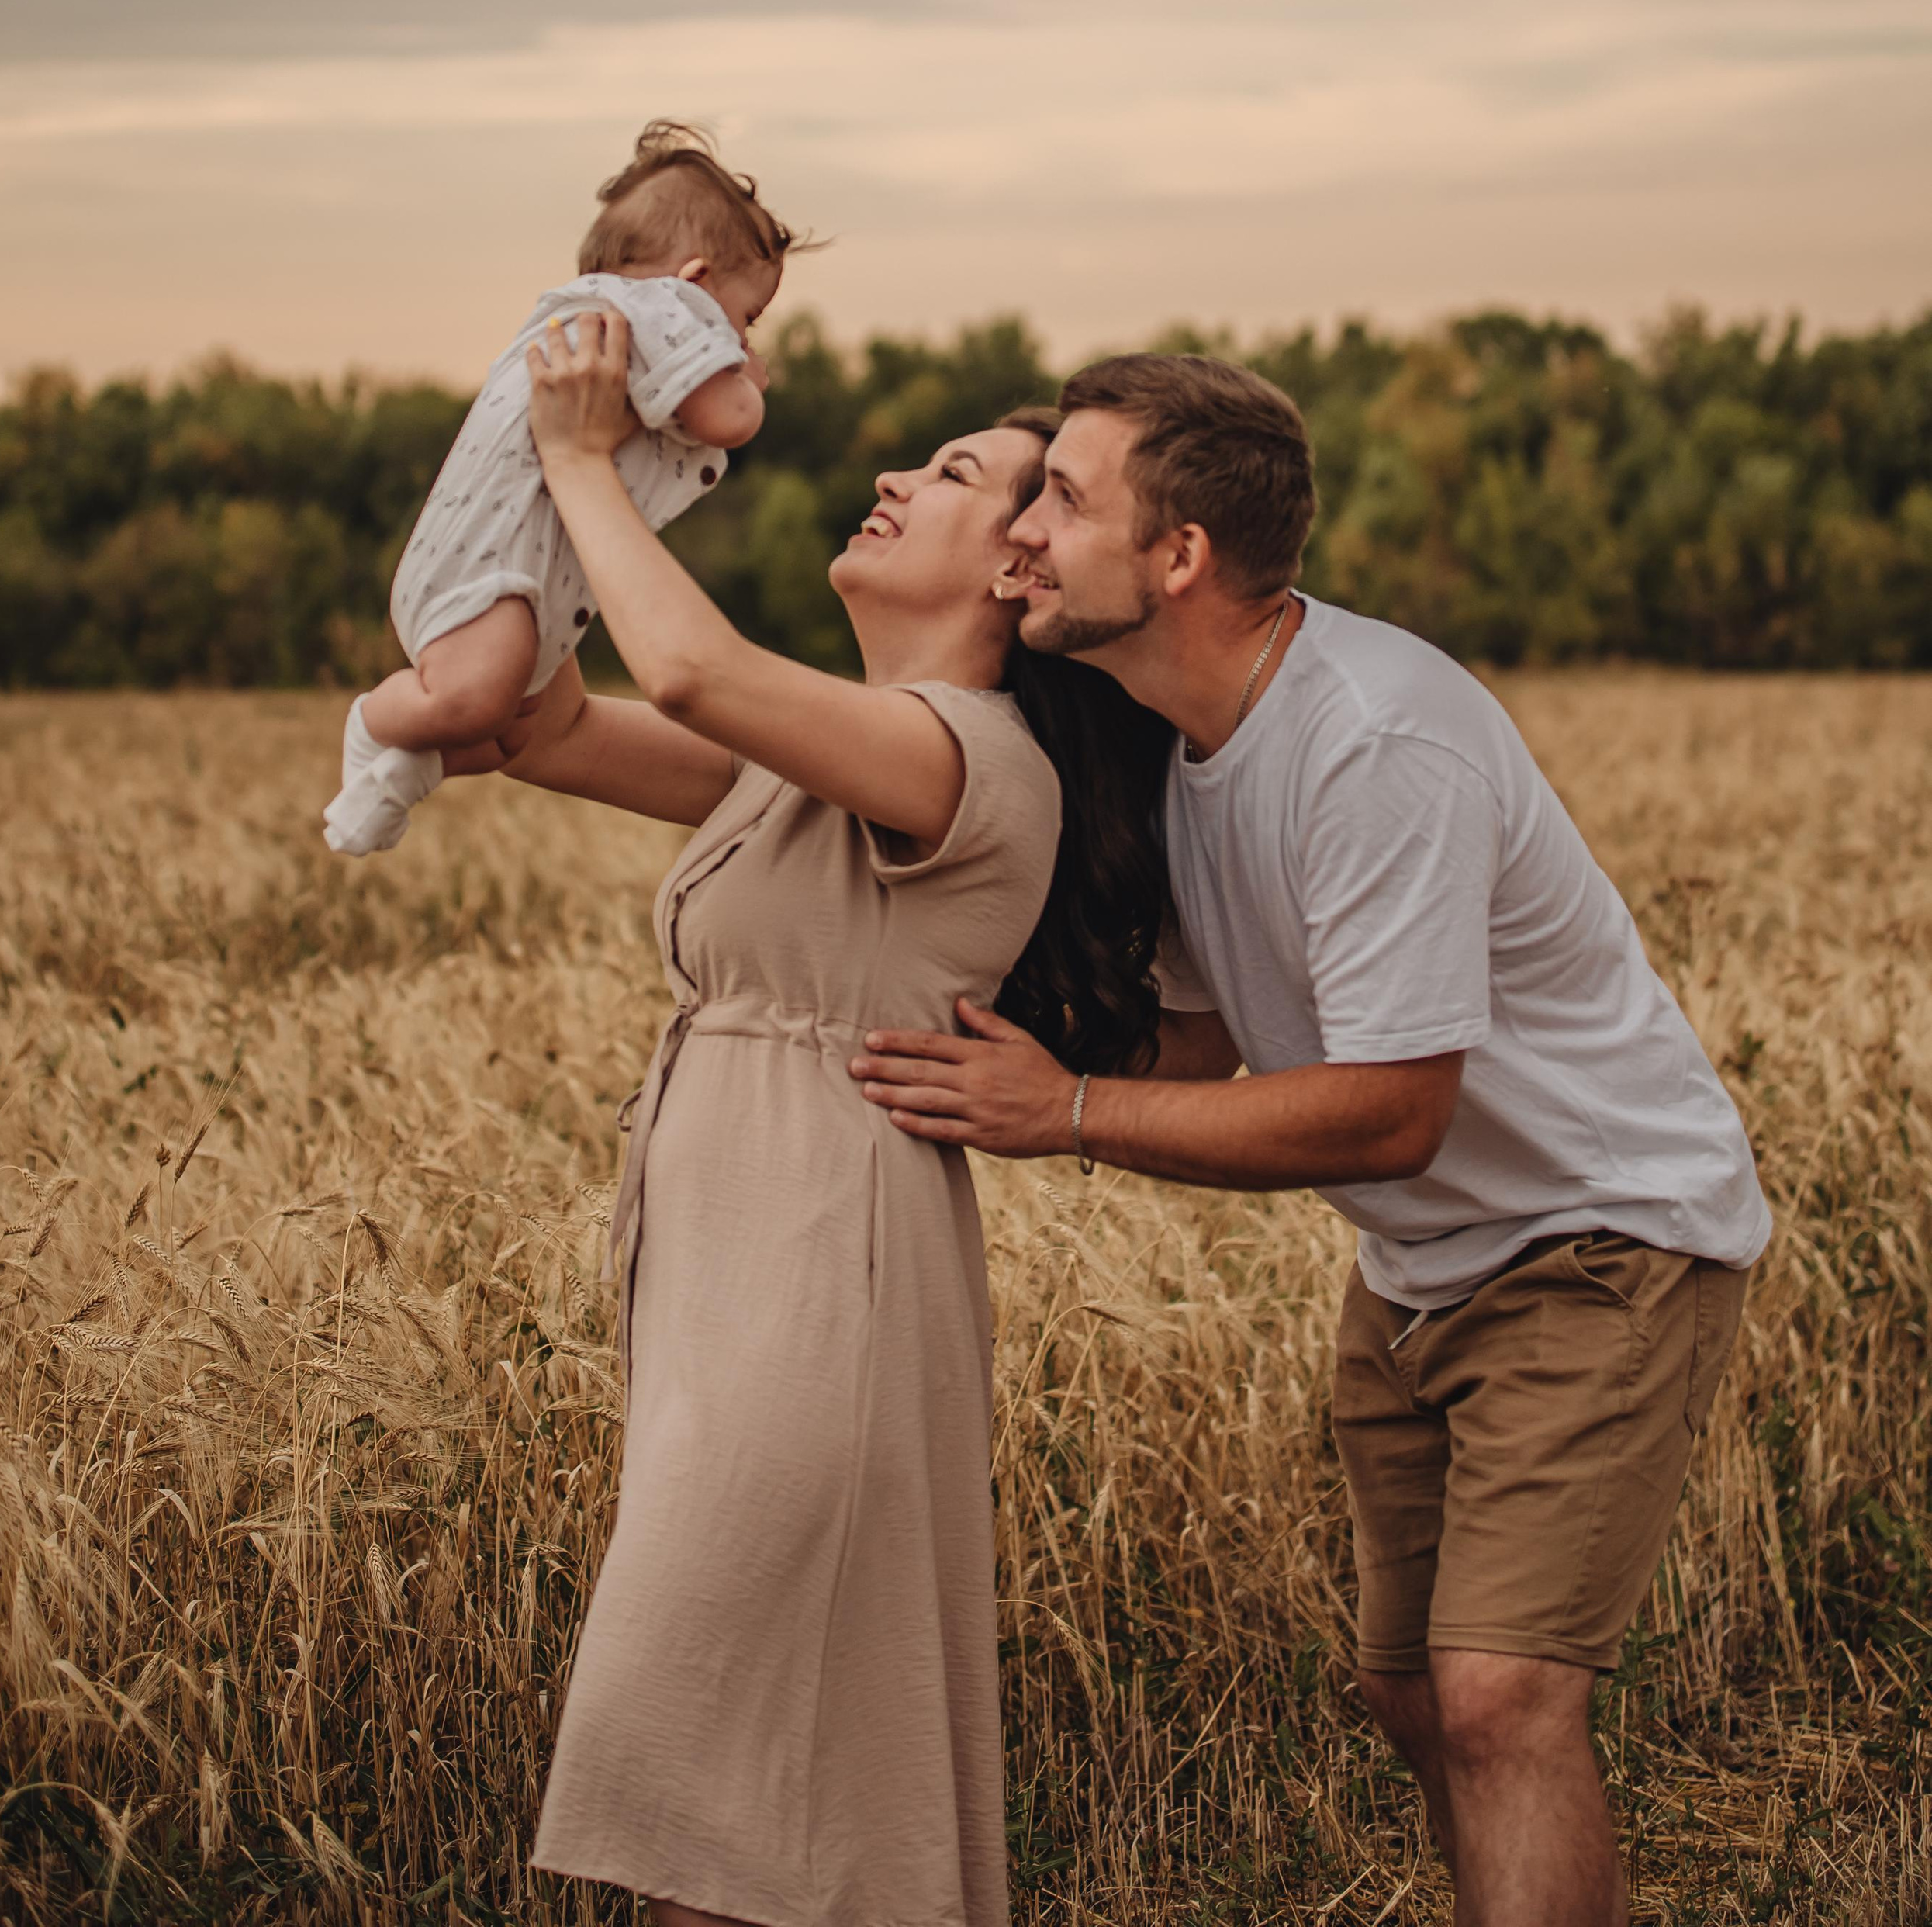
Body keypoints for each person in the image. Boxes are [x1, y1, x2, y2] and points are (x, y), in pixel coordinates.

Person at [852, 351, 1771, 1927]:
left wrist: (1063, 1114)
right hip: (1422, 1270)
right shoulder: (1193, 735)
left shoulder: (1368, 742)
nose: (1023, 534)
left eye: (1063, 501)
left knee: (1497, 1699)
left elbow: (1390, 1108)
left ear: (1178, 558)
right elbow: (1227, 1027)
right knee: (1413, 1699)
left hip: (1595, 1237)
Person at [437, 316, 1172, 1927]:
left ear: (1013, 573)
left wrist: (577, 464)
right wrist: (524, 479)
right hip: (733, 1273)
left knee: (714, 1779)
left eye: (956, 476)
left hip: (814, 1286)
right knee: (744, 1793)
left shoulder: (964, 761)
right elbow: (545, 727)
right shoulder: (811, 761)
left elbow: (689, 666)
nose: (893, 480)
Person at [324, 123, 789, 855]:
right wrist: (753, 384)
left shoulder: (595, 317)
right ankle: (374, 724)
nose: (742, 340)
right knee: (475, 700)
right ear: (695, 282)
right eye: (747, 318)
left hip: (500, 571)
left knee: (507, 733)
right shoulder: (658, 311)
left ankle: (396, 774)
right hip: (488, 569)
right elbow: (726, 418)